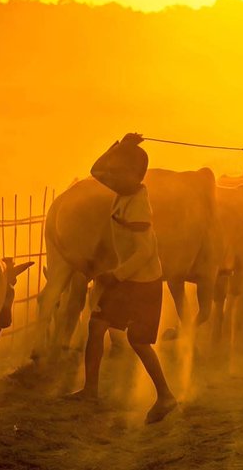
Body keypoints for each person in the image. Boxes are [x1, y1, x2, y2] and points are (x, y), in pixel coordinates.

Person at [68, 133, 177, 424]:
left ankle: (165, 396)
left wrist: (114, 275)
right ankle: (90, 390)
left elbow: (143, 252)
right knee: (97, 325)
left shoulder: (138, 205)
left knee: (139, 342)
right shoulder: (123, 190)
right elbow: (96, 169)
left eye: (119, 172)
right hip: (127, 280)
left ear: (135, 175)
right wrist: (120, 144)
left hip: (143, 283)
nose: (111, 177)